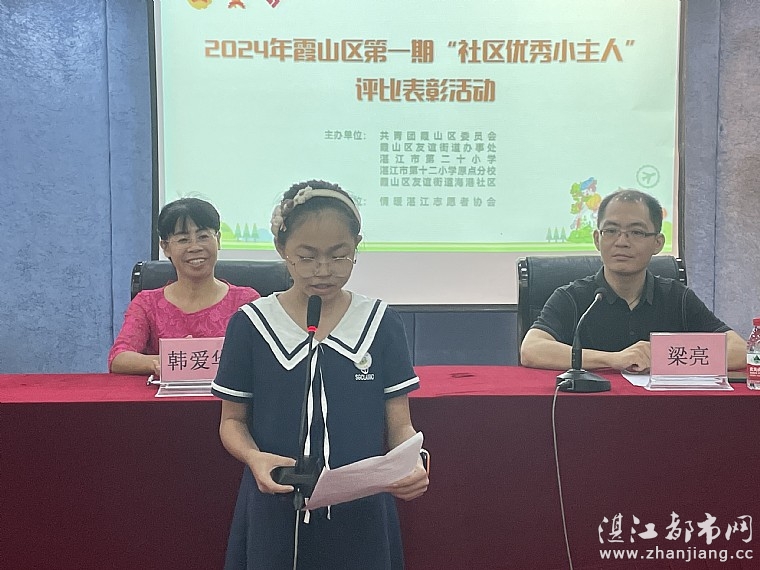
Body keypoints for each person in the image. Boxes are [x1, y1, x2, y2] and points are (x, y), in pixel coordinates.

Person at [211, 180, 429, 569]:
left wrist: (412, 462)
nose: (323, 271)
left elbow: (400, 425)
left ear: (356, 246)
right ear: (281, 248)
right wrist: (254, 457)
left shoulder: (380, 322)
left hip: (361, 512)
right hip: (275, 505)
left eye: (339, 255)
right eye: (307, 257)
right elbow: (232, 422)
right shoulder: (252, 324)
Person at [520, 189, 746, 372]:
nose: (622, 242)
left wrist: (663, 357)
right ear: (597, 239)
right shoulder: (572, 297)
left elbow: (739, 350)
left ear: (657, 243)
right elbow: (531, 349)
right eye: (611, 231)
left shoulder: (677, 297)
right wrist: (614, 359)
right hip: (590, 410)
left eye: (636, 232)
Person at [108, 197, 260, 376]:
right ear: (165, 247)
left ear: (218, 240)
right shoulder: (147, 303)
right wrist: (172, 361)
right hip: (166, 394)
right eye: (183, 239)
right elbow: (119, 358)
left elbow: (264, 357)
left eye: (203, 237)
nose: (195, 247)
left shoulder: (246, 301)